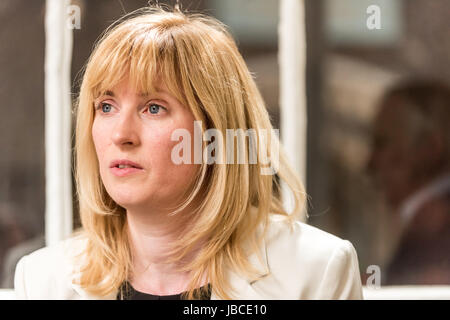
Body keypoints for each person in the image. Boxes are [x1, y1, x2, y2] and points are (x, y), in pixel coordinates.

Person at [14, 6, 363, 300]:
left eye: (154, 108)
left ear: (215, 134)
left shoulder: (316, 271)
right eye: (106, 106)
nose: (121, 134)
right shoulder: (44, 280)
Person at [367, 80, 450, 285]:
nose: (369, 163)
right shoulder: (422, 225)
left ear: (429, 149)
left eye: (383, 143)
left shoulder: (435, 226)